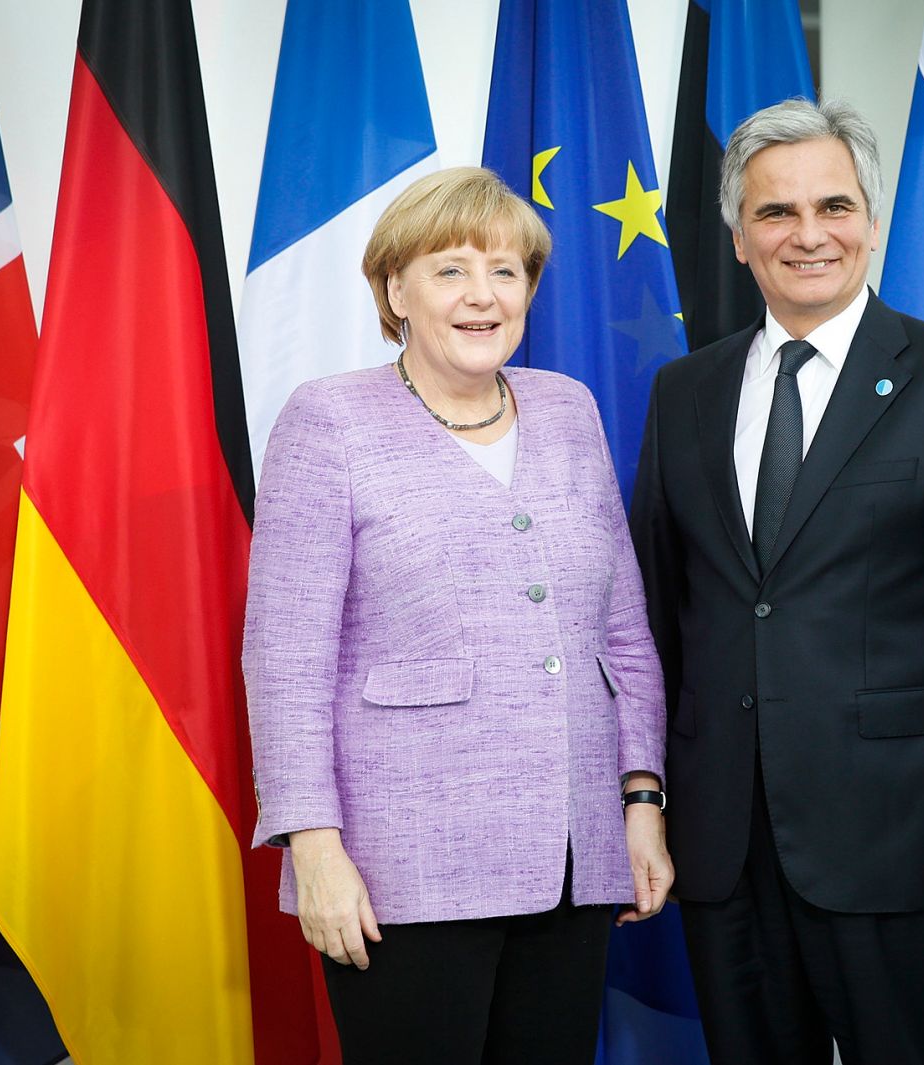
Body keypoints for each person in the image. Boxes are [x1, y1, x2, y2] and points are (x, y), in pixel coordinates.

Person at [630, 99, 924, 1065]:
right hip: (721, 840)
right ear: (739, 237)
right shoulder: (683, 391)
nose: (810, 234)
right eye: (777, 213)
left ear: (871, 221)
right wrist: (642, 795)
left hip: (897, 837)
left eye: (835, 205)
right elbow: (657, 612)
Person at [244, 166, 672, 1065]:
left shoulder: (568, 409)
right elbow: (286, 657)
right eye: (450, 269)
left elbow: (621, 627)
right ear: (394, 288)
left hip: (573, 852)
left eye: (506, 271)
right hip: (402, 863)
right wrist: (312, 848)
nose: (483, 295)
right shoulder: (329, 421)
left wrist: (640, 796)